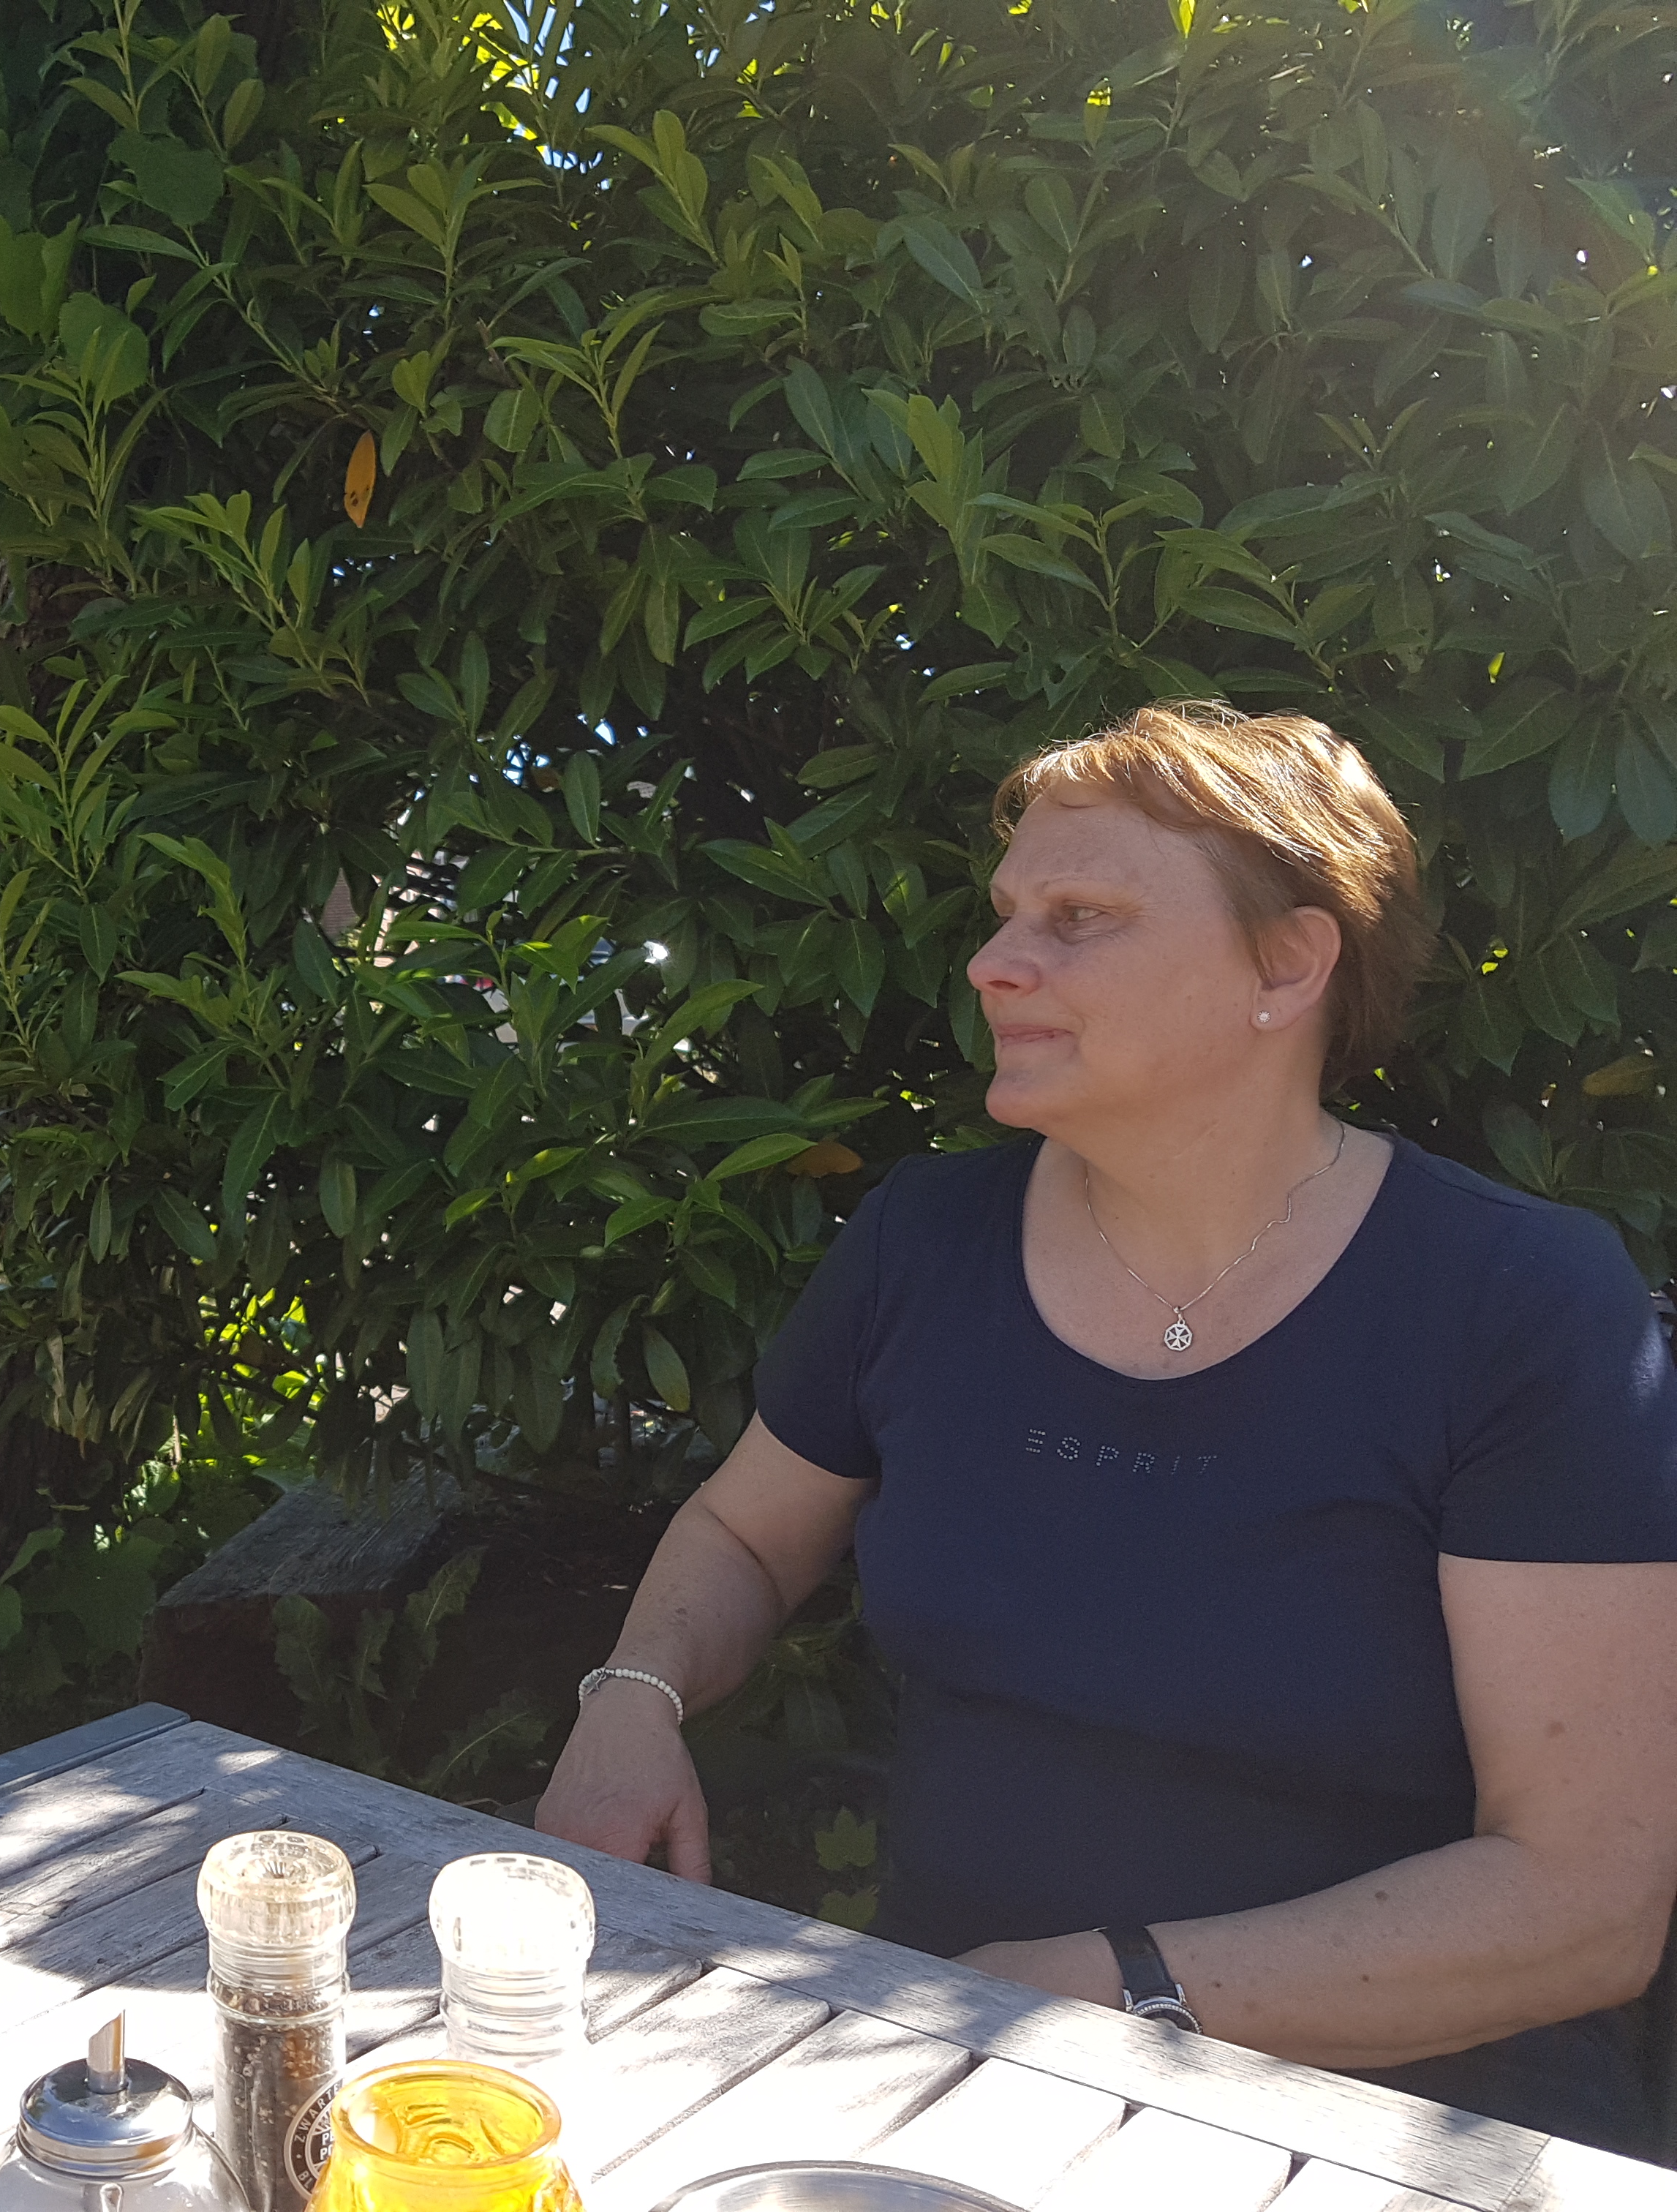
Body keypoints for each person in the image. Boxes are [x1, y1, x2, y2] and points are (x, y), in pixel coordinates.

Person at [538, 701, 1677, 2149]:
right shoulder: (924, 1242)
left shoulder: (1515, 1303)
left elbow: (1583, 1900)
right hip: (935, 2077)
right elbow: (744, 1536)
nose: (991, 961)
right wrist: (632, 1697)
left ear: (1287, 964)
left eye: (1078, 918)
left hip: (1395, 2133)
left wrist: (1107, 1991)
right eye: (1007, 912)